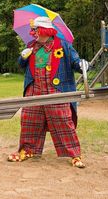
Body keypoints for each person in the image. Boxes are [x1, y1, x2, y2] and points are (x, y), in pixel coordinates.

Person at [8, 16, 88, 168]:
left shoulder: (64, 46)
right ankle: (27, 150)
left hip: (57, 90)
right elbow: (21, 65)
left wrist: (83, 64)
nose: (33, 33)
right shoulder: (31, 46)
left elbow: (76, 62)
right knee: (29, 120)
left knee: (63, 121)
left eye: (35, 30)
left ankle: (74, 155)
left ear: (45, 30)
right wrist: (23, 57)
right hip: (34, 89)